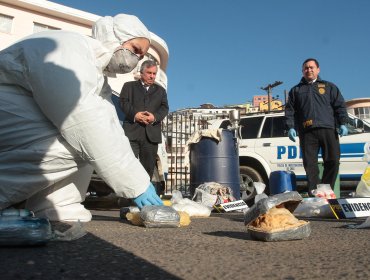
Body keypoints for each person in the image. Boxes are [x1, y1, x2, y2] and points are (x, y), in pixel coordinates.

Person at [0, 14, 163, 222]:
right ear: (115, 37)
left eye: (140, 56)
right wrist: (136, 184)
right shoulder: (70, 49)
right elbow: (83, 119)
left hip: (13, 118)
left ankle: (57, 207)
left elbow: (110, 125)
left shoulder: (95, 73)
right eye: (135, 49)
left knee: (91, 144)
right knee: (83, 141)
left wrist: (136, 177)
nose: (136, 59)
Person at [285, 58, 349, 196]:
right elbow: (290, 111)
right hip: (307, 132)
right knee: (310, 165)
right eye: (306, 68)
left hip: (328, 129)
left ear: (318, 69)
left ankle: (326, 190)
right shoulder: (296, 90)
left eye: (311, 67)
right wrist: (290, 127)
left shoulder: (329, 87)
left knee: (333, 161)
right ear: (302, 71)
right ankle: (314, 192)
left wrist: (343, 122)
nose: (309, 70)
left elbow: (340, 106)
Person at [120, 60, 169, 194]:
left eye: (154, 73)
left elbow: (164, 108)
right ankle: (127, 201)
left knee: (147, 169)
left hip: (151, 136)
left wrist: (154, 117)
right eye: (149, 73)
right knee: (129, 167)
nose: (152, 76)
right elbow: (123, 103)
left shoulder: (161, 91)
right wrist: (135, 115)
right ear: (141, 73)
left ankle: (142, 198)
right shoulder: (129, 86)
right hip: (132, 133)